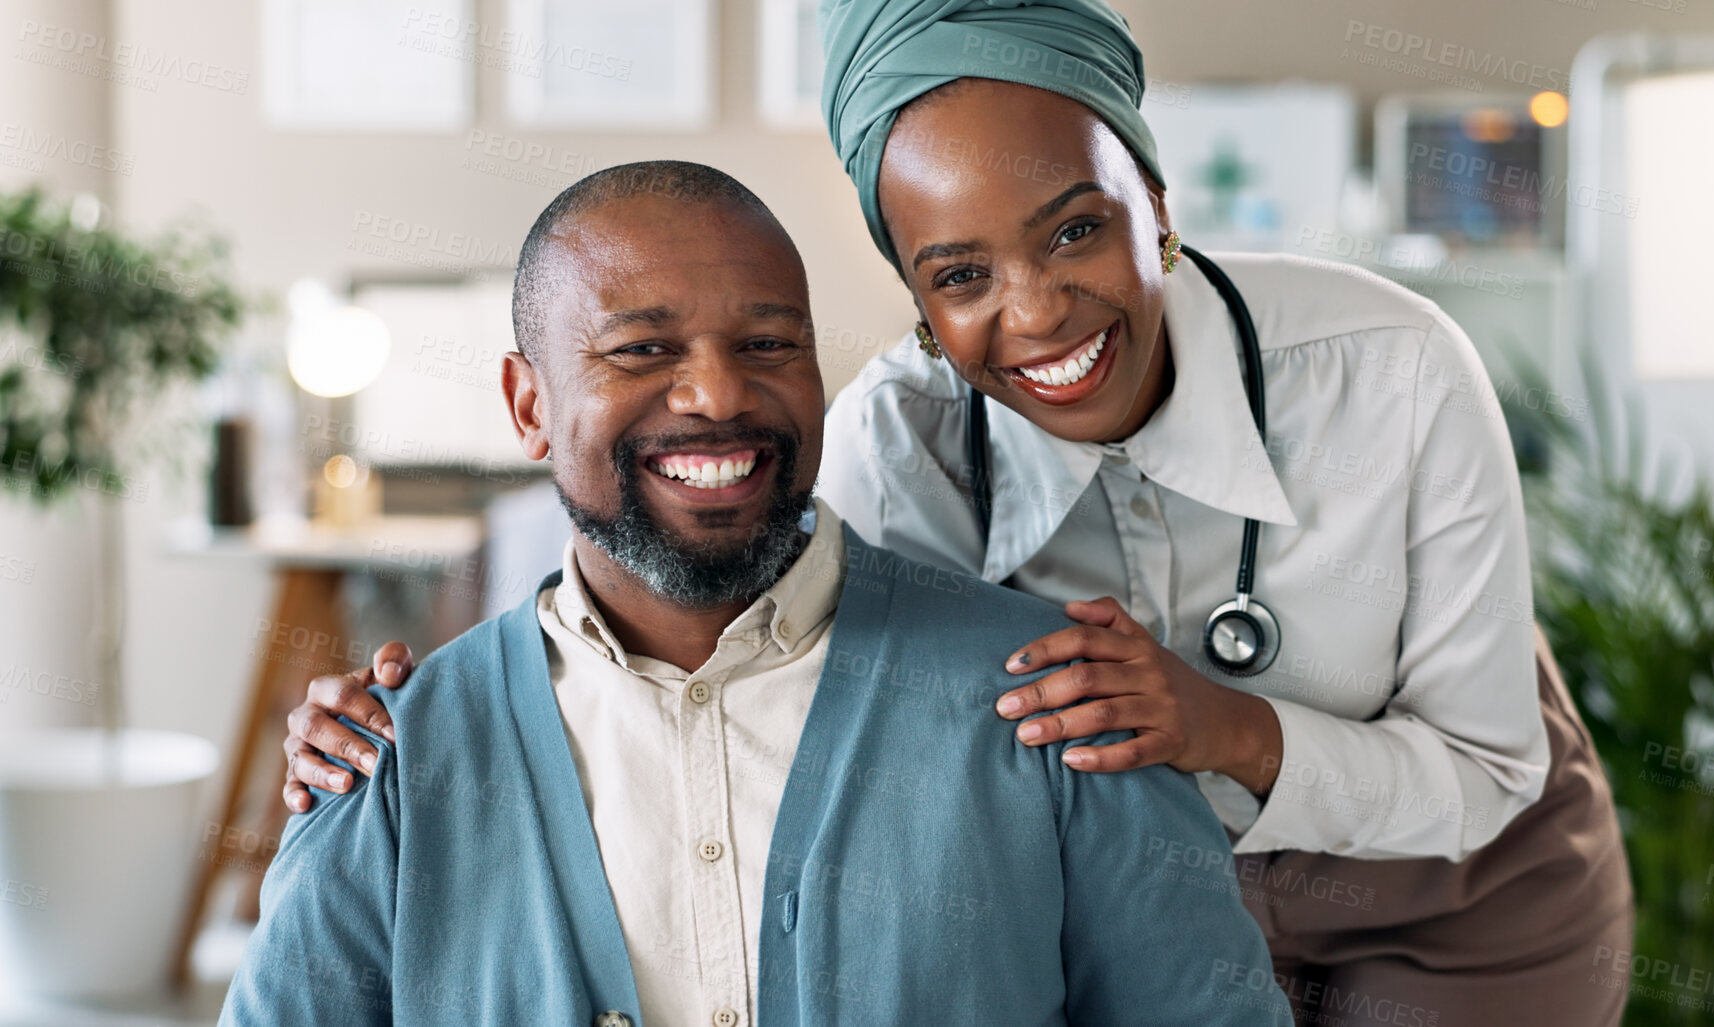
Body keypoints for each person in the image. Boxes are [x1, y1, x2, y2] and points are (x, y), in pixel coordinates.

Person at [280, 2, 1634, 1023]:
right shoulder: (885, 438)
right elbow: (792, 655)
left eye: (1073, 230)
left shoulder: (1388, 368)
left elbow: (1481, 771)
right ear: (915, 304)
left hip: (1452, 879)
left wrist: (1216, 722)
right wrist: (401, 722)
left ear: (1155, 204)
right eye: (960, 272)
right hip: (1163, 883)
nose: (1035, 310)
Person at [221, 161, 1293, 1026]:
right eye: (643, 349)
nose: (719, 394)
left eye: (768, 344)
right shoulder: (394, 765)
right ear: (529, 402)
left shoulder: (1059, 703)